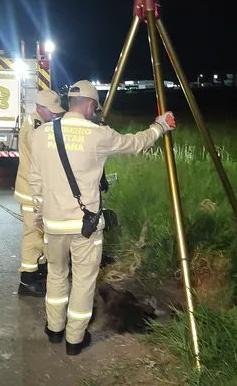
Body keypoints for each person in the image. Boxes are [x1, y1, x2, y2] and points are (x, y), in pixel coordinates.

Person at [29, 80, 176, 355]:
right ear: (88, 104)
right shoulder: (99, 134)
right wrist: (161, 125)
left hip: (53, 223)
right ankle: (74, 340)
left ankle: (54, 329)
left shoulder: (41, 134)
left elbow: (35, 180)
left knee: (57, 275)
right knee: (84, 280)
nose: (94, 111)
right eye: (94, 106)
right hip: (85, 226)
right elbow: (135, 144)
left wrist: (39, 214)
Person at [14, 90, 66, 297]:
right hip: (32, 191)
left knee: (42, 234)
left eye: (56, 112)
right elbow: (46, 159)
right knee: (33, 235)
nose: (55, 115)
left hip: (37, 190)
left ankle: (40, 270)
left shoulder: (41, 123)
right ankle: (27, 280)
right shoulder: (36, 128)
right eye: (50, 111)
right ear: (38, 108)